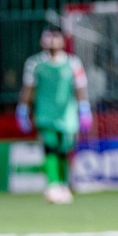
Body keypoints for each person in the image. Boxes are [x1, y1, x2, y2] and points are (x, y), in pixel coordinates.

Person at [17, 28, 92, 204]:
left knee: (64, 149)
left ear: (63, 41)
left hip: (67, 115)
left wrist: (84, 107)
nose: (52, 41)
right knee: (49, 146)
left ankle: (63, 185)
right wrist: (22, 108)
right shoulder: (34, 63)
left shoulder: (73, 63)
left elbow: (80, 87)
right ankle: (52, 185)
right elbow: (28, 88)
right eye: (48, 37)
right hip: (45, 114)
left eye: (55, 37)